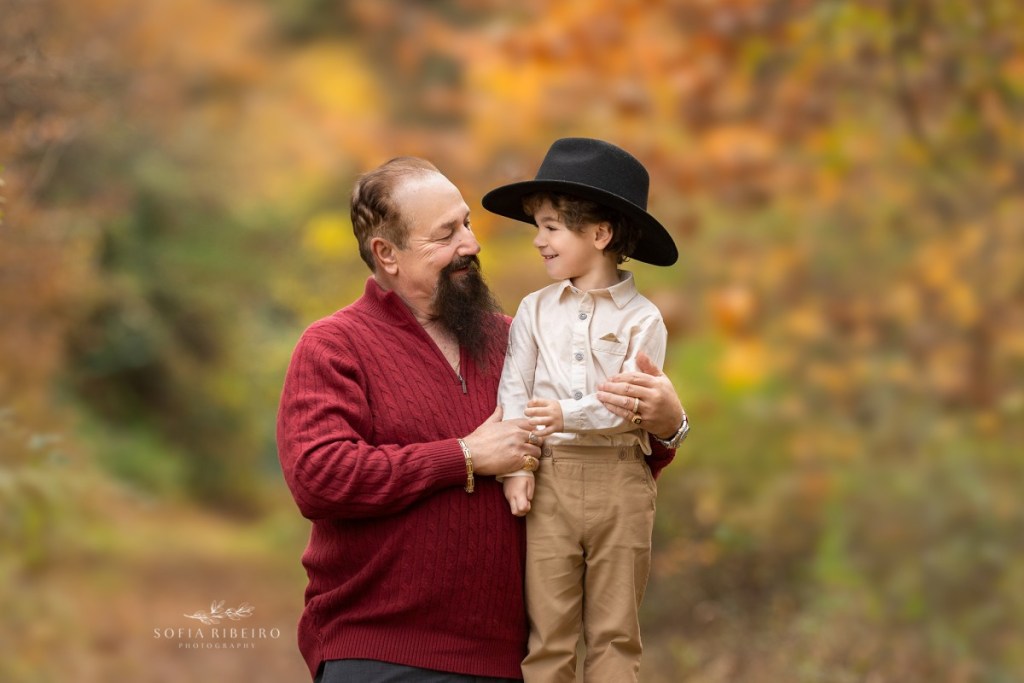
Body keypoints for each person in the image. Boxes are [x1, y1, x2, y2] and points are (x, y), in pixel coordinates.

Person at [276, 154, 687, 683]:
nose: (470, 244)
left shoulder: (514, 335)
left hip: (507, 662)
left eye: (467, 223)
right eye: (446, 234)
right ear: (387, 253)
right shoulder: (335, 346)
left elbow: (599, 463)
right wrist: (465, 456)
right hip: (382, 654)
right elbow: (320, 478)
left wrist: (669, 425)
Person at [482, 137, 690, 683]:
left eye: (551, 226)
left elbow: (627, 407)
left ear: (598, 235)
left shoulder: (644, 322)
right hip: (550, 480)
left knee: (614, 636)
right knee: (548, 636)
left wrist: (564, 415)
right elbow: (514, 391)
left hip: (620, 481)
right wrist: (517, 469)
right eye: (538, 227)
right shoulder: (533, 310)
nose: (538, 241)